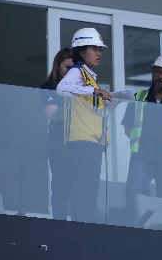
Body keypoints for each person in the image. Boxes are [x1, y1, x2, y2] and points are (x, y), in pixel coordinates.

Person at [57, 27, 113, 223]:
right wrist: (94, 93)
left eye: (100, 50)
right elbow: (62, 88)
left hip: (93, 142)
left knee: (89, 192)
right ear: (81, 51)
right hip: (81, 141)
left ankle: (86, 227)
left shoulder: (90, 77)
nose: (98, 53)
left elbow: (90, 110)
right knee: (83, 192)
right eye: (93, 49)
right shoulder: (77, 70)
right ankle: (82, 230)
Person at [121, 54, 162, 225]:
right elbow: (128, 128)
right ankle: (134, 234)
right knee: (134, 198)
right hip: (141, 156)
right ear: (153, 72)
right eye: (158, 72)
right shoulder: (138, 97)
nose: (161, 76)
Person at [40, 48, 73, 220]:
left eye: (74, 69)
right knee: (61, 186)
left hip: (79, 143)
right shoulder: (50, 86)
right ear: (57, 66)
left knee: (80, 189)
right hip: (58, 143)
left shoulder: (81, 89)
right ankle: (59, 224)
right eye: (67, 67)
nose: (70, 72)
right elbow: (52, 114)